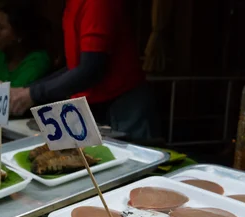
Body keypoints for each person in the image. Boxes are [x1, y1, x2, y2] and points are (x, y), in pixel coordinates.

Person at [10, 0, 161, 144]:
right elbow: (74, 66)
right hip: (95, 106)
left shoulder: (96, 3)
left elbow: (91, 69)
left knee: (132, 167)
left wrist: (34, 93)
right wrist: (28, 90)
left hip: (124, 107)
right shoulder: (72, 5)